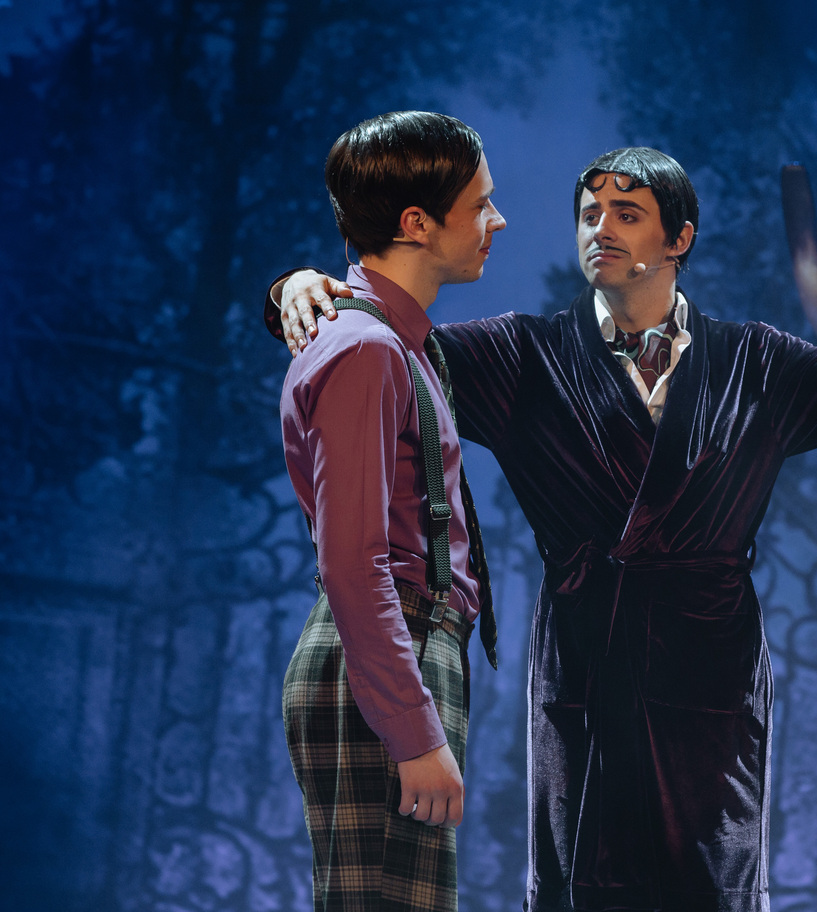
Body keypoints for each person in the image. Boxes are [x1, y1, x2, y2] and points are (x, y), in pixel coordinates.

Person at [267, 147, 817, 912]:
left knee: (713, 884)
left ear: (679, 238)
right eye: (589, 214)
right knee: (582, 885)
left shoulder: (756, 363)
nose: (600, 229)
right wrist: (296, 290)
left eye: (627, 213)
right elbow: (387, 341)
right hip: (584, 660)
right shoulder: (523, 355)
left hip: (711, 668)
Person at [278, 110, 504, 912]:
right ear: (416, 223)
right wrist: (413, 731)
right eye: (480, 204)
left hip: (405, 641)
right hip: (389, 642)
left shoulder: (396, 342)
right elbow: (352, 561)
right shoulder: (367, 349)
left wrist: (290, 286)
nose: (496, 221)